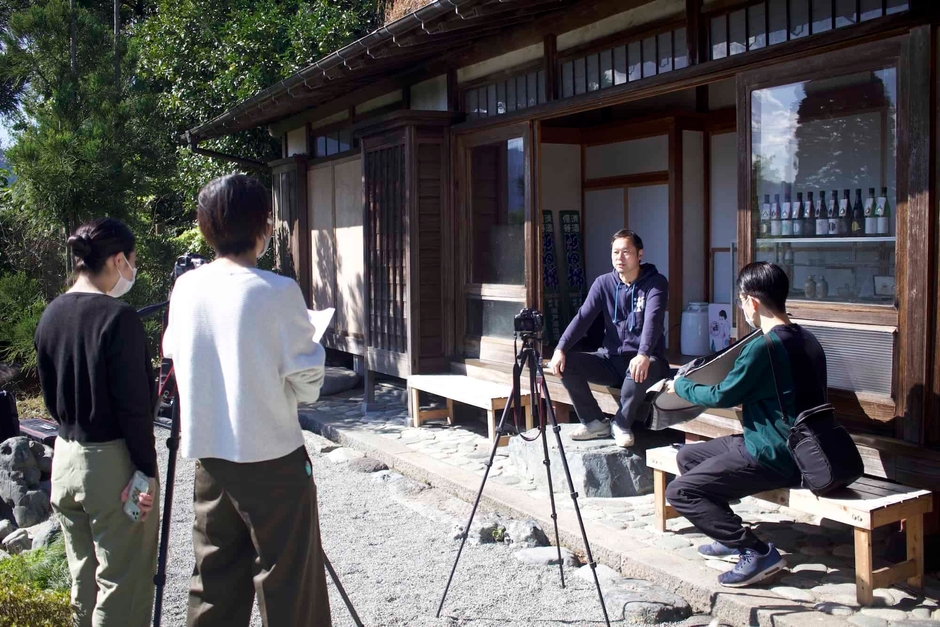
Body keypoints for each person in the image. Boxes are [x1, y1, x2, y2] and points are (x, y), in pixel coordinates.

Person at [162, 174, 331, 626]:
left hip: (210, 459)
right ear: (263, 226)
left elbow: (176, 354)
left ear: (206, 228)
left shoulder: (186, 289)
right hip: (273, 458)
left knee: (213, 581)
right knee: (288, 584)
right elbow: (309, 384)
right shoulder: (276, 291)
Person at [663, 261, 827, 587]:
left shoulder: (765, 347)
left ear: (751, 301)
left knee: (680, 491)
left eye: (741, 301)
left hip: (776, 454)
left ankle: (757, 551)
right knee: (688, 457)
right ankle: (727, 532)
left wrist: (679, 386)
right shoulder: (805, 337)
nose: (742, 308)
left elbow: (723, 394)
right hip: (791, 443)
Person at [34, 217, 159, 627]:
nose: (132, 270)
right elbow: (135, 407)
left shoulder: (51, 313)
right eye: (132, 261)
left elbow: (51, 397)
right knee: (122, 584)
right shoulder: (117, 318)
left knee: (83, 581)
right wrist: (146, 470)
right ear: (119, 259)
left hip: (65, 459)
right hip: (110, 463)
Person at [549, 229, 669, 447]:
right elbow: (583, 317)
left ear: (639, 254)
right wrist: (560, 348)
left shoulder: (656, 283)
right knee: (566, 364)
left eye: (626, 252)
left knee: (641, 368)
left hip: (647, 361)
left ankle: (621, 424)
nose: (619, 258)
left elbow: (654, 320)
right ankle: (594, 422)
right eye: (615, 253)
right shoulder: (604, 283)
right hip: (611, 359)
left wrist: (643, 354)